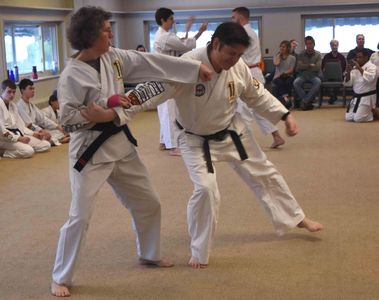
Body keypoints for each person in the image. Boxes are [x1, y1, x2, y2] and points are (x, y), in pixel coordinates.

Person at [126, 22, 323, 269]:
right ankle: (199, 250)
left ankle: (297, 217)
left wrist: (285, 116)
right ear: (216, 44)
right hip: (195, 138)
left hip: (231, 131)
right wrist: (124, 103)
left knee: (264, 173)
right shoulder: (187, 64)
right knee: (206, 189)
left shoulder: (238, 66)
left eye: (240, 55)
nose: (235, 60)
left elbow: (257, 94)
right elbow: (154, 88)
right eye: (231, 53)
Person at [50, 6, 213, 297]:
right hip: (90, 152)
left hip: (121, 146)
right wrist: (94, 116)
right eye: (104, 29)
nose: (110, 32)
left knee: (148, 202)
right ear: (88, 35)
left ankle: (149, 253)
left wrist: (192, 68)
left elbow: (148, 61)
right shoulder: (71, 75)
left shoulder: (113, 57)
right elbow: (67, 120)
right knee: (80, 216)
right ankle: (60, 277)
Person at [154, 7, 208, 155]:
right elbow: (186, 45)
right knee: (169, 111)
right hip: (167, 77)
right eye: (171, 19)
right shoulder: (164, 37)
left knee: (165, 111)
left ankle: (164, 141)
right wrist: (199, 32)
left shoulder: (165, 36)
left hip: (167, 76)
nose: (172, 21)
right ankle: (173, 146)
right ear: (163, 20)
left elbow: (181, 44)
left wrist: (188, 30)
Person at [231, 6, 285, 149]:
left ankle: (244, 143)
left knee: (244, 109)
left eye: (233, 17)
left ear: (241, 17)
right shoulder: (249, 32)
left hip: (249, 74)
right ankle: (277, 136)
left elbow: (235, 51)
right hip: (252, 72)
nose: (232, 20)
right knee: (258, 109)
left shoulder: (245, 33)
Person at [0, 79, 51, 158]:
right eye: (9, 92)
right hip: (4, 139)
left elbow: (21, 126)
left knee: (46, 145)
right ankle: (3, 152)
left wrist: (34, 134)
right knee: (28, 151)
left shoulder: (13, 106)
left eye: (13, 92)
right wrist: (19, 138)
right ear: (2, 90)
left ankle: (24, 147)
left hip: (17, 134)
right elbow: (2, 131)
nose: (12, 95)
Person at [16, 79, 66, 145]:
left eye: (33, 88)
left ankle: (55, 140)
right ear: (22, 90)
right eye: (30, 89)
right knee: (45, 142)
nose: (33, 91)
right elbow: (29, 125)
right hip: (28, 132)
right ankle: (56, 141)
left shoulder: (31, 105)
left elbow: (43, 119)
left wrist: (57, 126)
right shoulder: (19, 106)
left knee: (58, 132)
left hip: (37, 130)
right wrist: (41, 131)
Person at [344, 49, 377, 122]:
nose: (357, 59)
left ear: (366, 57)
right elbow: (348, 83)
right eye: (357, 57)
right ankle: (367, 111)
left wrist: (359, 68)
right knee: (348, 118)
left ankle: (372, 113)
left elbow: (370, 79)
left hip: (367, 97)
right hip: (356, 98)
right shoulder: (354, 68)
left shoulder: (372, 67)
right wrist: (348, 72)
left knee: (358, 119)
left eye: (360, 57)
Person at [293, 36, 322, 110]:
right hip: (303, 75)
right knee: (296, 83)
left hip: (314, 75)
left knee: (318, 82)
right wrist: (310, 65)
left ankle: (304, 102)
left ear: (314, 44)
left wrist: (304, 66)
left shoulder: (318, 54)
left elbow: (317, 67)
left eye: (310, 43)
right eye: (307, 44)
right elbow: (299, 67)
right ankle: (307, 101)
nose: (309, 45)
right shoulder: (301, 54)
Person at [272, 40, 296, 109]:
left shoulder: (292, 58)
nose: (282, 48)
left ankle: (285, 99)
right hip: (278, 77)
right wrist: (279, 55)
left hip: (288, 75)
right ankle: (287, 99)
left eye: (284, 47)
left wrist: (284, 73)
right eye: (281, 47)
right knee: (279, 82)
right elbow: (276, 63)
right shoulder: (276, 56)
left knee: (288, 82)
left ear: (288, 48)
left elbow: (291, 70)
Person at [321, 39, 347, 104]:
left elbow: (344, 68)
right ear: (330, 46)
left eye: (335, 45)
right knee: (324, 80)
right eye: (333, 45)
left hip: (339, 76)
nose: (334, 47)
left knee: (340, 79)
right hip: (328, 76)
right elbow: (323, 67)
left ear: (338, 46)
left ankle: (333, 96)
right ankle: (332, 96)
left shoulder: (341, 57)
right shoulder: (327, 56)